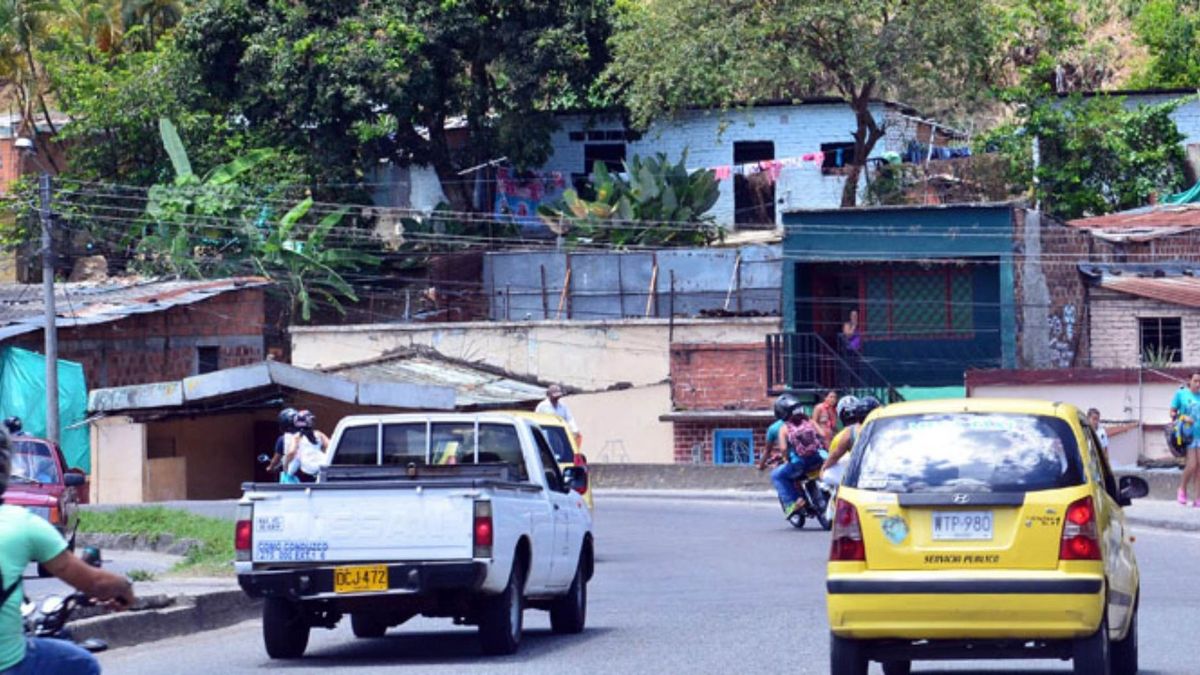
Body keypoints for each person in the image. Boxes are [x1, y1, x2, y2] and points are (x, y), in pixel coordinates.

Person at [0, 429, 136, 674]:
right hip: (8, 663)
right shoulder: (20, 523)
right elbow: (95, 583)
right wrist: (124, 587)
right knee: (83, 663)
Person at [762, 394, 825, 518]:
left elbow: (784, 449)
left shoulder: (783, 428)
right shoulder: (810, 421)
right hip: (817, 459)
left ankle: (795, 502)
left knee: (777, 475)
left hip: (800, 464)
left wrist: (785, 459)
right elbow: (822, 434)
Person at [821, 395, 881, 487]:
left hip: (859, 476)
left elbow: (834, 456)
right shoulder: (885, 428)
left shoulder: (847, 434)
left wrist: (823, 469)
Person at [1171, 373, 1200, 505]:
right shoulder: (1181, 394)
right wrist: (1183, 418)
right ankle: (1182, 488)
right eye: (1196, 381)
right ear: (1190, 381)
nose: (1198, 384)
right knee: (1192, 464)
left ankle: (1197, 498)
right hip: (1188, 435)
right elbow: (1172, 413)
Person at [283, 410, 330, 483]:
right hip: (323, 466)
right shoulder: (319, 434)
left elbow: (291, 453)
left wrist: (285, 466)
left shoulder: (296, 437)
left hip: (308, 470)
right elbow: (331, 447)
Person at [265, 408, 299, 484]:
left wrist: (270, 467)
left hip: (292, 475)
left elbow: (276, 459)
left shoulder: (283, 439)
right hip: (310, 473)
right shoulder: (309, 436)